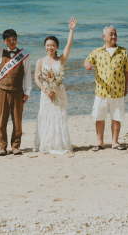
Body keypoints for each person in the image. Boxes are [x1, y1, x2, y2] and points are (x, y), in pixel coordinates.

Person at [0, 11, 32, 156]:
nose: (12, 42)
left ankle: (16, 146)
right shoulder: (0, 53)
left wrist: (28, 92)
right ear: (4, 41)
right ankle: (2, 147)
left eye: (14, 39)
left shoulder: (24, 56)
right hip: (2, 91)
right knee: (2, 120)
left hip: (18, 91)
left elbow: (27, 74)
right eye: (9, 40)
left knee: (18, 120)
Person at [33, 17, 78, 154]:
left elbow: (68, 46)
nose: (50, 47)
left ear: (56, 47)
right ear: (45, 47)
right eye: (47, 45)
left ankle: (59, 144)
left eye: (52, 45)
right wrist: (46, 91)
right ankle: (46, 143)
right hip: (46, 93)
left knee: (59, 117)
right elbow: (36, 79)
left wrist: (71, 30)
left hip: (59, 92)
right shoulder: (40, 61)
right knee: (46, 117)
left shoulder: (61, 59)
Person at [84, 25, 128, 151]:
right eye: (111, 34)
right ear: (104, 37)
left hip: (118, 91)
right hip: (101, 91)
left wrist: (126, 87)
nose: (113, 36)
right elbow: (87, 61)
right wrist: (87, 64)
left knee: (117, 117)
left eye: (115, 34)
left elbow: (126, 71)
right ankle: (100, 143)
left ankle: (115, 142)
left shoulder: (123, 51)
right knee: (99, 117)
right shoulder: (97, 51)